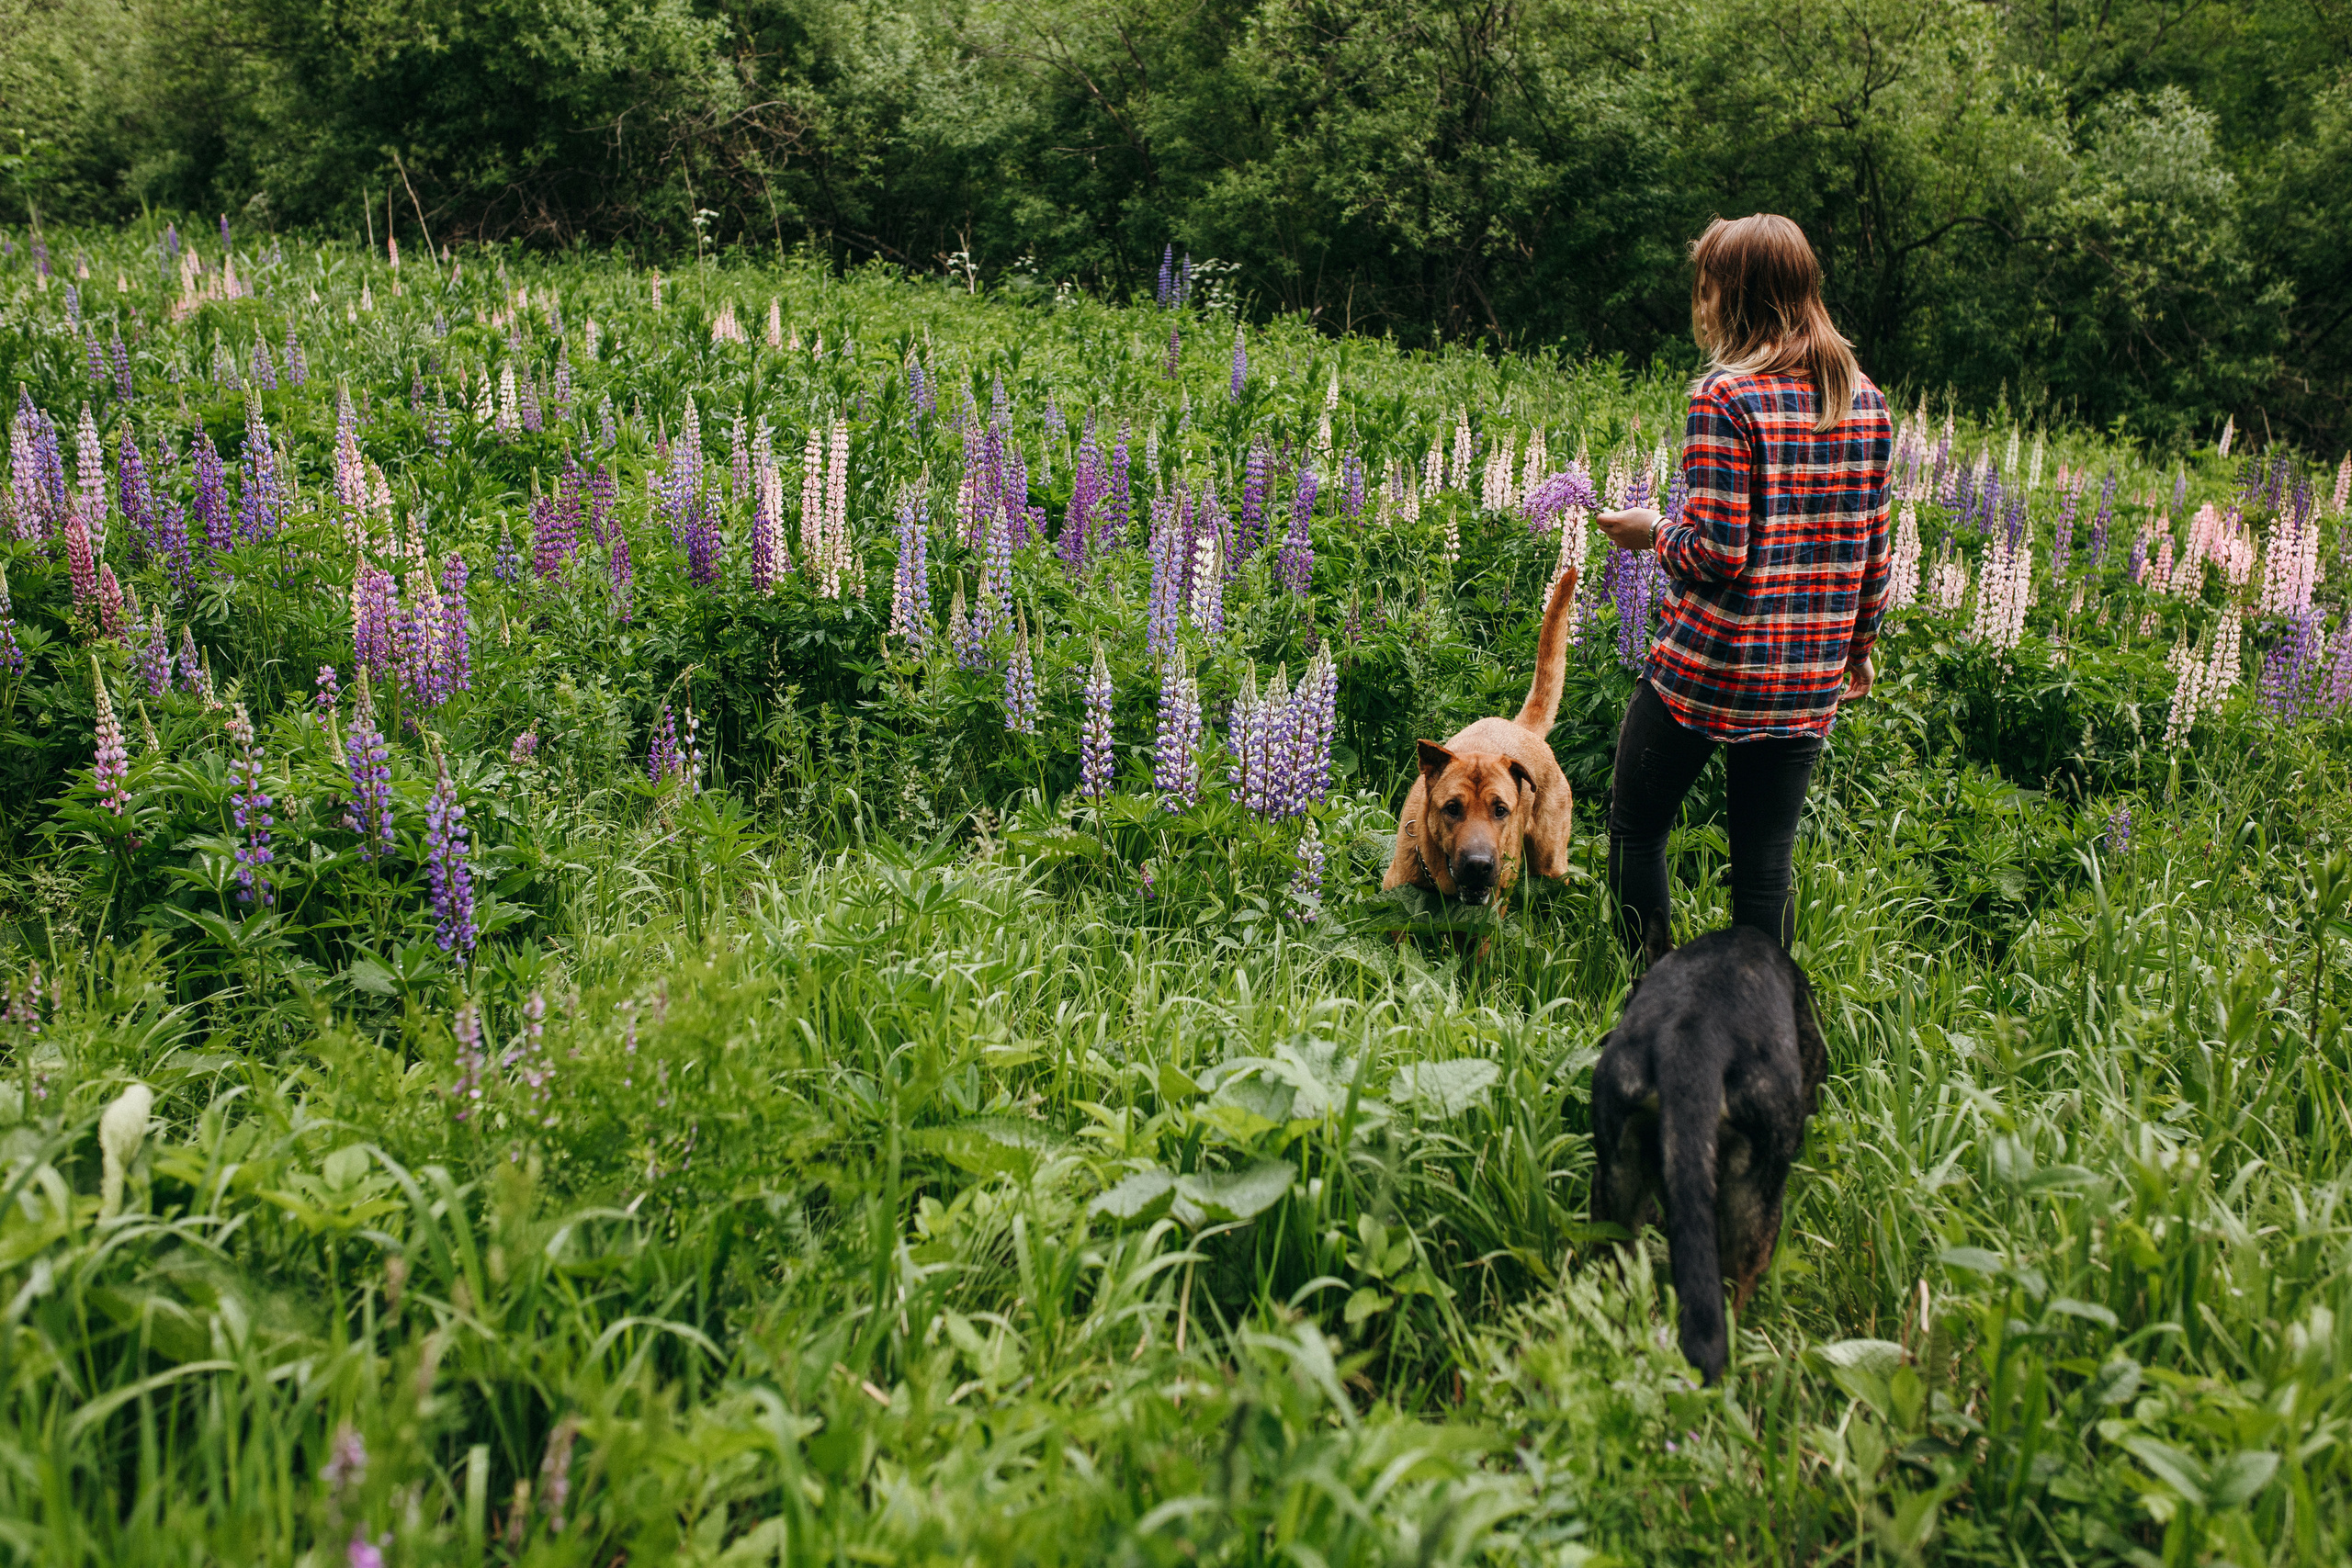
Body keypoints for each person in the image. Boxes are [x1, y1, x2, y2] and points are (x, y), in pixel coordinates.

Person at [1594, 213, 1892, 960]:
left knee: (1637, 828)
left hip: (1711, 668)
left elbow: (1718, 551)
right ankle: (1765, 1039)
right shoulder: (1866, 400)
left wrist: (1648, 533)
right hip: (1805, 675)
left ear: (1740, 295)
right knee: (1764, 873)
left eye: (1709, 288)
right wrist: (1858, 646)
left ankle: (1653, 999)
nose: (1702, 305)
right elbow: (1871, 550)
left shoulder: (1726, 399)